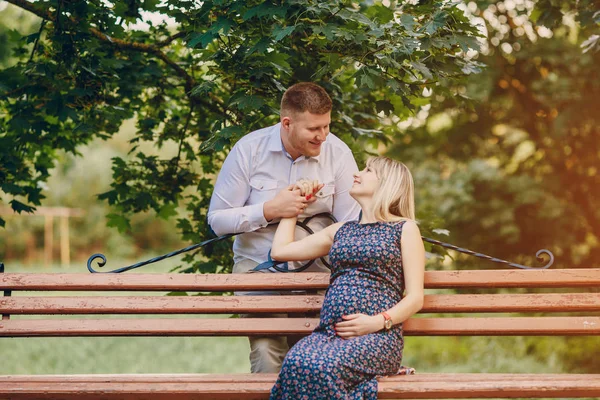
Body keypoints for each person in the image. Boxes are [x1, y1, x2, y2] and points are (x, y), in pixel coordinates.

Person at [207, 82, 361, 374]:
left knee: (316, 356)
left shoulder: (338, 153)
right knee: (267, 351)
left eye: (327, 126)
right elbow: (217, 220)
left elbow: (352, 225)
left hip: (319, 274)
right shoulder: (249, 151)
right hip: (258, 271)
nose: (323, 136)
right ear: (287, 123)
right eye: (314, 128)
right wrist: (270, 210)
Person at [268, 156, 425, 399]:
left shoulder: (404, 229)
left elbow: (415, 297)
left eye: (368, 170)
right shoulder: (342, 230)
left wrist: (377, 322)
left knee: (323, 368)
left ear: (388, 183)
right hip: (329, 335)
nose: (357, 173)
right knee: (296, 362)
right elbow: (280, 251)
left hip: (377, 337)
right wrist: (293, 208)